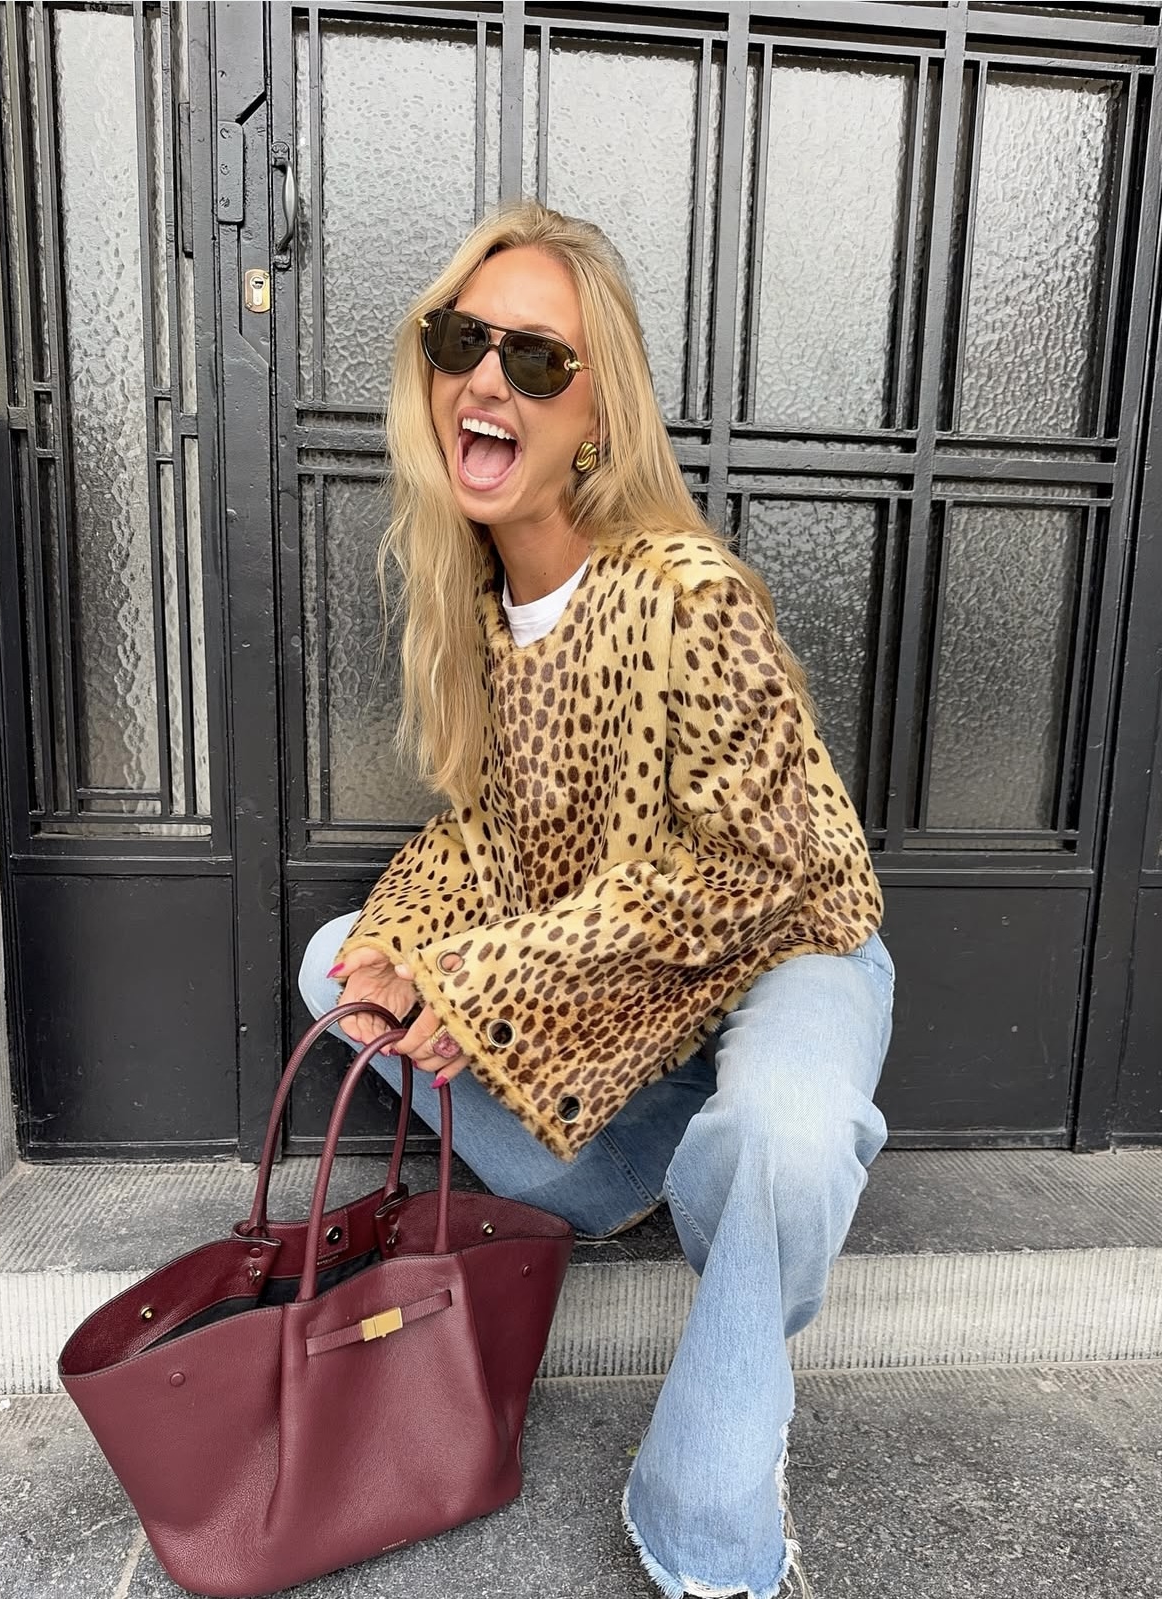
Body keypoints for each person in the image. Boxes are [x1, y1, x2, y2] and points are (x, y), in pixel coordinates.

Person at [298, 198, 894, 1599]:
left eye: (538, 358)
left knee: (788, 1135)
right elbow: (479, 840)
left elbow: (753, 870)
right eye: (463, 340)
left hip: (789, 945)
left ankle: (704, 1505)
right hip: (633, 990)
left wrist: (483, 983)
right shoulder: (476, 604)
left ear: (596, 417)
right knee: (335, 966)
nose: (488, 378)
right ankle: (632, 1175)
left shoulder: (686, 592)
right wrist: (401, 946)